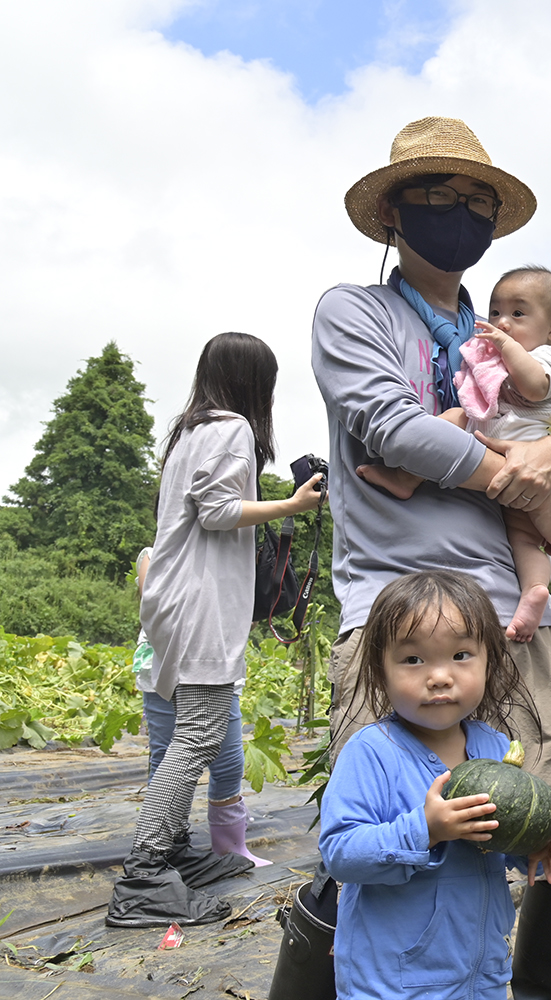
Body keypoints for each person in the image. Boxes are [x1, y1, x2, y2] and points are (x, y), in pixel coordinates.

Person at [310, 116, 551, 1000]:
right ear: (394, 214)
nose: (461, 213)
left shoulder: (501, 332)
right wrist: (528, 490)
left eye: (477, 200)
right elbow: (391, 428)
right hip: (398, 614)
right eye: (439, 196)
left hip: (518, 621)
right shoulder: (354, 311)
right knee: (384, 843)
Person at [107, 332, 326, 928]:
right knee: (200, 734)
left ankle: (174, 848)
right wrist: (292, 507)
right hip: (199, 603)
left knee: (189, 730)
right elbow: (218, 511)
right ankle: (147, 870)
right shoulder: (232, 430)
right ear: (258, 384)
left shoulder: (188, 431)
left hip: (173, 597)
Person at [320, 570, 551, 1000]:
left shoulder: (495, 747)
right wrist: (426, 830)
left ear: (489, 659)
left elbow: (497, 840)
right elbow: (340, 852)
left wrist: (531, 844)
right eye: (413, 659)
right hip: (392, 984)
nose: (439, 676)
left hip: (482, 977)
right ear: (381, 669)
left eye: (460, 655)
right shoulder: (372, 752)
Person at [357, 265, 551, 642]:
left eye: (517, 314)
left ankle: (534, 589)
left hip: (525, 448)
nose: (501, 322)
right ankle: (406, 478)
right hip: (497, 447)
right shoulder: (487, 345)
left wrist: (505, 347)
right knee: (451, 417)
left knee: (525, 537)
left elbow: (534, 389)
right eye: (495, 311)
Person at [133, 547, 269, 868]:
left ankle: (230, 847)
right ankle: (167, 845)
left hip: (217, 665)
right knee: (167, 757)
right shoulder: (154, 554)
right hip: (164, 665)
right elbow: (158, 605)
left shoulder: (226, 556)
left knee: (229, 760)